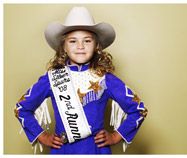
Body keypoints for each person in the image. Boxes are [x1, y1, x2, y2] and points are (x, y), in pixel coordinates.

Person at [14, 6, 148, 154]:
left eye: (87, 41)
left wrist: (116, 136)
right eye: (73, 41)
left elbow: (138, 110)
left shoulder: (105, 79)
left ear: (97, 46)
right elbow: (22, 108)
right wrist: (42, 136)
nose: (80, 47)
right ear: (63, 47)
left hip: (96, 150)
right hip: (63, 151)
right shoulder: (51, 79)